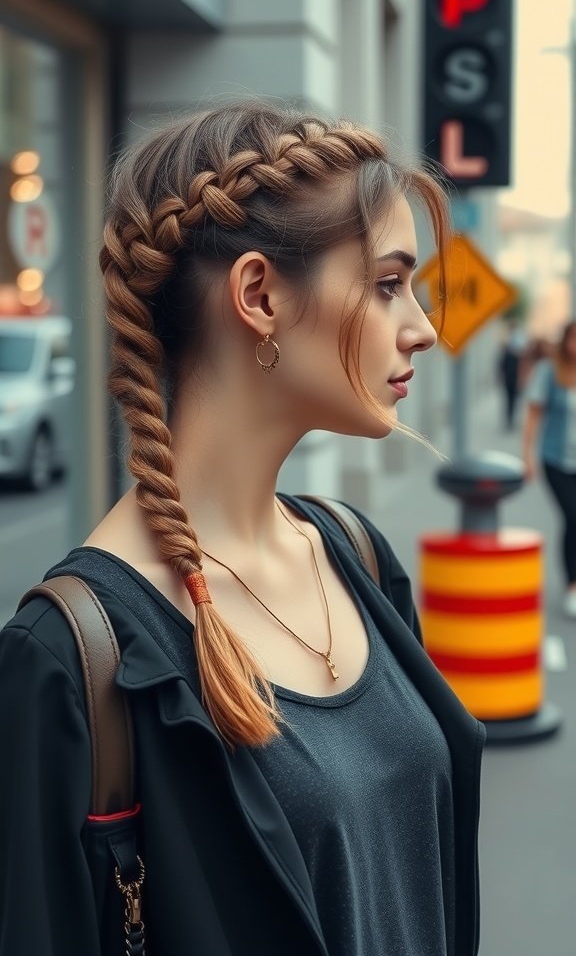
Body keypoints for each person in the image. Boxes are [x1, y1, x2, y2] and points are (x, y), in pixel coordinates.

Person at [0, 103, 485, 956]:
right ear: (259, 295)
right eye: (386, 284)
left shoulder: (355, 553)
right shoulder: (73, 657)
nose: (423, 328)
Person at [523, 319, 576, 618]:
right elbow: (533, 415)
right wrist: (527, 455)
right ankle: (572, 585)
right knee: (573, 516)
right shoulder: (549, 372)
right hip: (556, 459)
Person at [497, 319, 529, 431]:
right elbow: (502, 364)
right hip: (510, 378)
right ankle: (509, 420)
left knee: (512, 400)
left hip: (514, 378)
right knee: (510, 400)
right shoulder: (509, 347)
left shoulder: (517, 349)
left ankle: (511, 419)